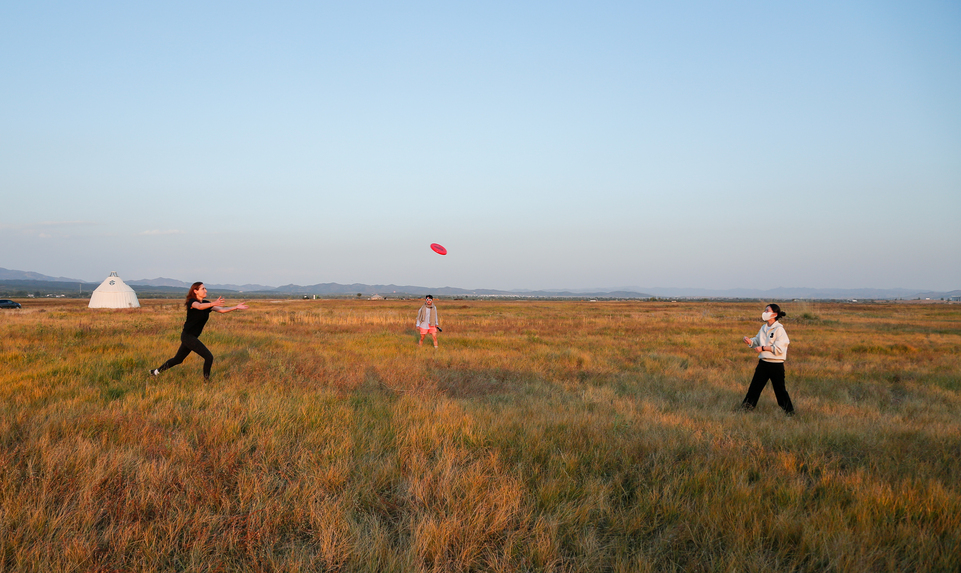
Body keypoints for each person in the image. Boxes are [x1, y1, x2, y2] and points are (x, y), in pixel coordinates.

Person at [150, 282, 248, 380]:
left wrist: (236, 307)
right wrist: (213, 303)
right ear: (195, 291)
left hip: (192, 337)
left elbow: (221, 310)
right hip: (188, 336)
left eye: (205, 288)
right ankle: (206, 382)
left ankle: (155, 372)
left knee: (178, 359)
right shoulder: (192, 302)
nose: (206, 290)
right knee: (209, 357)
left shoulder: (206, 303)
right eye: (203, 289)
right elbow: (199, 307)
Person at [740, 303, 795, 415]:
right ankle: (745, 409)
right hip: (763, 364)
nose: (764, 313)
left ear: (774, 314)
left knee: (780, 391)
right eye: (765, 310)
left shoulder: (779, 330)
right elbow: (757, 340)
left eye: (767, 311)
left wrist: (763, 348)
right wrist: (750, 341)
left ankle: (789, 412)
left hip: (776, 365)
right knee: (754, 388)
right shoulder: (764, 328)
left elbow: (780, 348)